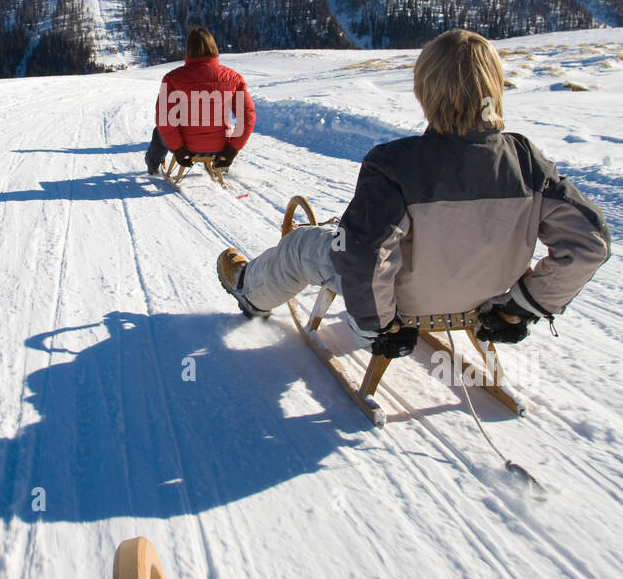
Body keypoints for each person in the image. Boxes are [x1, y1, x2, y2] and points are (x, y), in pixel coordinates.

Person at [218, 29, 610, 355]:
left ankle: (249, 290)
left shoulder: (395, 164)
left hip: (399, 308)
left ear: (425, 91)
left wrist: (379, 328)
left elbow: (363, 253)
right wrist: (522, 306)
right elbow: (590, 242)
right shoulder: (527, 163)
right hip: (482, 301)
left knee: (303, 245)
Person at [145, 26, 256, 176]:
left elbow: (164, 119)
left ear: (189, 49)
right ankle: (220, 166)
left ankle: (152, 165)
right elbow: (247, 118)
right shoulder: (233, 78)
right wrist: (232, 150)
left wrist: (178, 149)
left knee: (158, 132)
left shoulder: (173, 78)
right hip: (220, 147)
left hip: (186, 147)